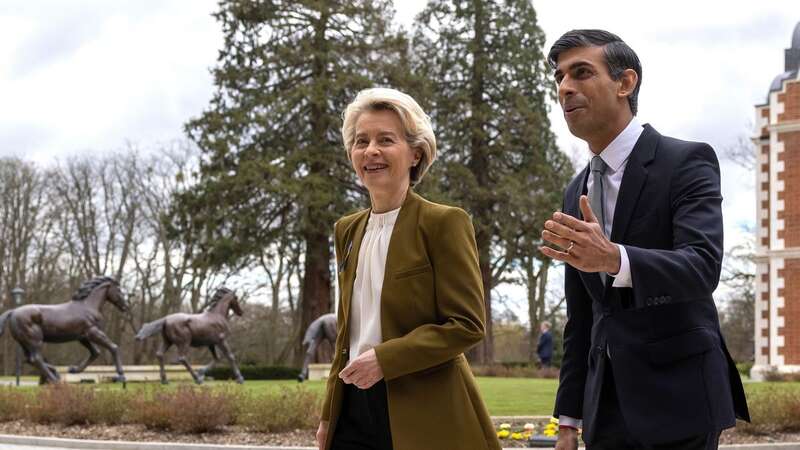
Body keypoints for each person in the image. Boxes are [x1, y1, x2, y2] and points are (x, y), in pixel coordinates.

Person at [539, 30, 749, 450]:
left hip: (679, 397)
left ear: (625, 82)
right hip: (605, 407)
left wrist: (614, 258)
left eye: (581, 72)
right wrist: (568, 421)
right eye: (559, 78)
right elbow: (582, 315)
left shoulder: (686, 161)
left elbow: (701, 266)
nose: (565, 88)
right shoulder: (575, 190)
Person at [316, 88, 501, 450]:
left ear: (416, 153)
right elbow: (346, 337)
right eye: (360, 141)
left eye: (386, 140)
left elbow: (467, 324)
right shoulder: (346, 230)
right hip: (352, 410)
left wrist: (385, 360)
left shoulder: (444, 223)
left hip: (424, 410)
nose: (370, 150)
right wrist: (328, 415)